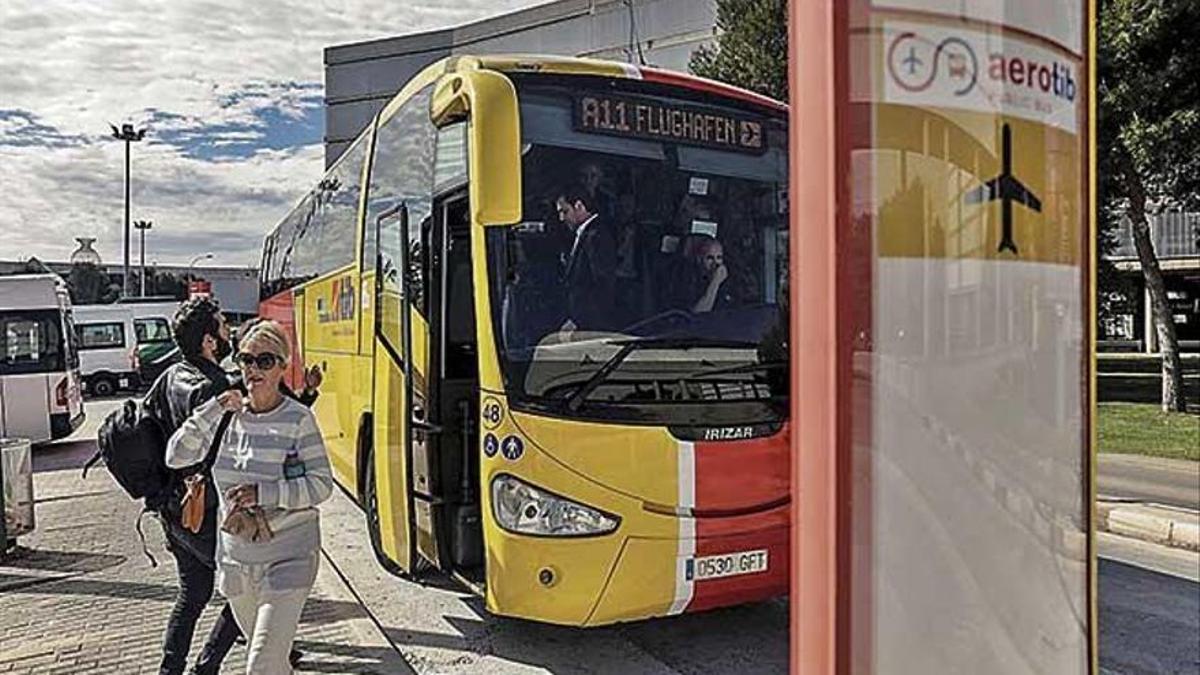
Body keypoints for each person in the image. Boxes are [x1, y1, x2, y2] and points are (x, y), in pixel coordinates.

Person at [145, 299, 320, 675]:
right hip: (237, 564)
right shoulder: (226, 414)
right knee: (273, 664)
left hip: (289, 556)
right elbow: (176, 456)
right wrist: (214, 409)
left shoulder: (298, 419)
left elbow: (321, 486)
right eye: (246, 360)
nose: (253, 369)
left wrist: (265, 494)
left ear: (282, 366)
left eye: (265, 361)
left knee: (261, 664)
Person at [555, 185, 618, 332]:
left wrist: (579, 321)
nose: (561, 218)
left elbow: (602, 284)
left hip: (591, 324)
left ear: (579, 206)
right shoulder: (586, 234)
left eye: (565, 211)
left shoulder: (597, 236)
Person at [665, 235, 730, 314]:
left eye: (719, 257)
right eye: (710, 258)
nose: (715, 263)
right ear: (699, 259)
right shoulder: (687, 280)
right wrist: (715, 283)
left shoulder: (724, 282)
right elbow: (698, 314)